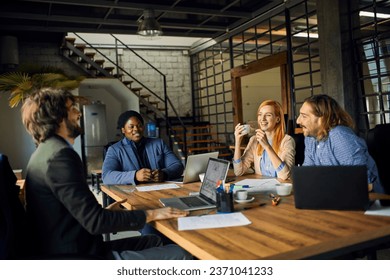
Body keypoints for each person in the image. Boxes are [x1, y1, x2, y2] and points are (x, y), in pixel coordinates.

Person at [21, 87, 192, 260]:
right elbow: (96, 222)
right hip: (78, 256)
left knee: (153, 240)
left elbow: (77, 213)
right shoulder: (60, 158)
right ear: (58, 117)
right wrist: (152, 213)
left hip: (78, 245)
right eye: (72, 108)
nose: (78, 114)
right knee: (182, 255)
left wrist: (107, 211)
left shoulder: (47, 152)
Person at [296, 94, 384, 193]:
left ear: (322, 119)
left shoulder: (340, 136)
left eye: (304, 116)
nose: (298, 120)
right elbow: (308, 174)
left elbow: (361, 181)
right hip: (334, 195)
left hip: (370, 199)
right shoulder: (310, 138)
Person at [102, 110, 184, 185]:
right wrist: (135, 176)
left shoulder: (159, 143)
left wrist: (164, 173)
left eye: (139, 125)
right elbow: (107, 176)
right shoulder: (114, 150)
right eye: (131, 127)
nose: (136, 129)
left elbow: (177, 166)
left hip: (160, 190)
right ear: (123, 130)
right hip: (133, 195)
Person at [233, 100, 295, 180]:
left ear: (277, 119)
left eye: (268, 115)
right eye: (260, 115)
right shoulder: (254, 140)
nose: (262, 119)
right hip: (262, 187)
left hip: (280, 188)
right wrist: (237, 142)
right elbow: (238, 171)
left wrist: (267, 146)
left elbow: (285, 175)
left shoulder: (287, 140)